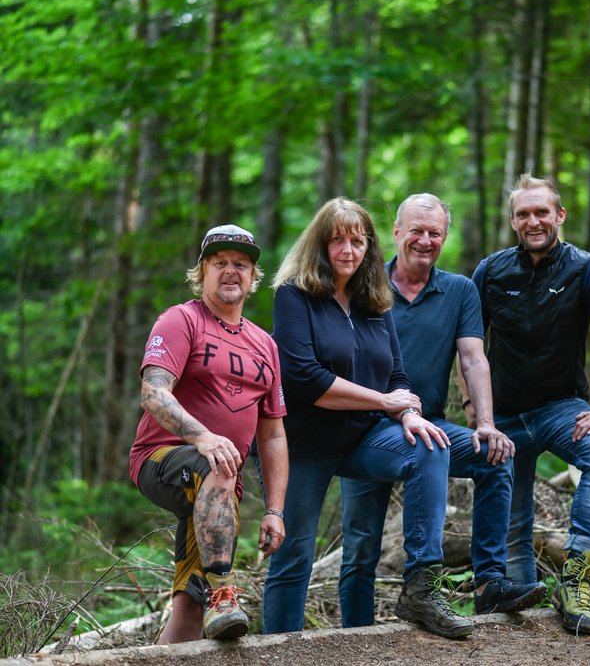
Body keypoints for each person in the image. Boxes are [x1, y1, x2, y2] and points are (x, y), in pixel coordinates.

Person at [262, 197, 473, 639]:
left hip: (363, 438)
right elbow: (307, 379)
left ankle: (421, 585)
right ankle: (281, 647)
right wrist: (385, 402)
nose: (347, 251)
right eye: (337, 240)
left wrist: (411, 414)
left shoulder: (375, 300)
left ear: (369, 247)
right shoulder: (294, 295)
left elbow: (398, 375)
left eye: (357, 241)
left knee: (430, 444)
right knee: (294, 554)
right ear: (319, 245)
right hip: (303, 443)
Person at [339, 193, 547, 627]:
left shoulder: (459, 290)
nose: (425, 240)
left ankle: (490, 584)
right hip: (363, 428)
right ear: (395, 233)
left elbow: (472, 358)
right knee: (361, 546)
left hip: (428, 427)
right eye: (416, 230)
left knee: (494, 456)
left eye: (435, 233)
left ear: (445, 237)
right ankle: (352, 636)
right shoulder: (361, 284)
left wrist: (486, 424)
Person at [466, 173, 590, 635]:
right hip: (503, 418)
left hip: (562, 409)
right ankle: (519, 617)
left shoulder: (585, 268)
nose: (533, 220)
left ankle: (577, 578)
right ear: (513, 221)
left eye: (542, 211)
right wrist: (471, 404)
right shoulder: (491, 270)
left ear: (559, 215)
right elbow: (467, 343)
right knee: (515, 534)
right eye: (523, 213)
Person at [129, 224, 289, 644]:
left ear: (254, 277)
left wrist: (275, 509)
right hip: (163, 458)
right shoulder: (182, 320)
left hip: (219, 484)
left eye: (241, 264)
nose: (231, 271)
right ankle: (225, 592)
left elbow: (272, 435)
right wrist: (202, 436)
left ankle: (204, 601)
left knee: (189, 604)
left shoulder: (265, 345)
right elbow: (153, 392)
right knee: (215, 464)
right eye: (220, 263)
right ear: (202, 271)